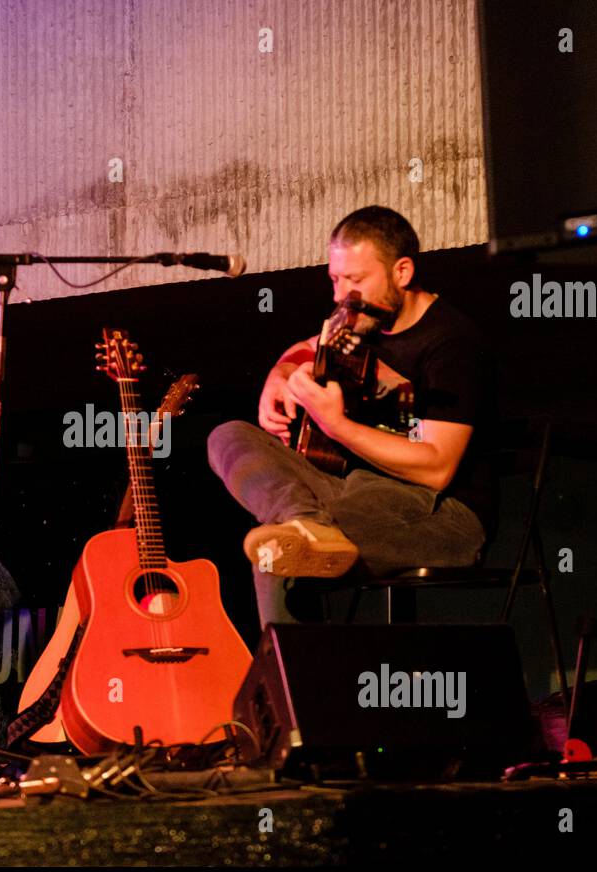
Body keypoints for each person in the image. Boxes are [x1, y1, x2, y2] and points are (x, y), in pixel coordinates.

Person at [207, 206, 498, 630]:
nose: (341, 295)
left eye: (356, 280)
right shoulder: (361, 321)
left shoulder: (452, 343)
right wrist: (281, 374)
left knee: (276, 554)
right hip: (355, 490)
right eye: (335, 279)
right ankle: (304, 523)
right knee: (227, 435)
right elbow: (309, 344)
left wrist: (336, 425)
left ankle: (292, 689)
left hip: (444, 517)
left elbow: (436, 467)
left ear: (401, 272)